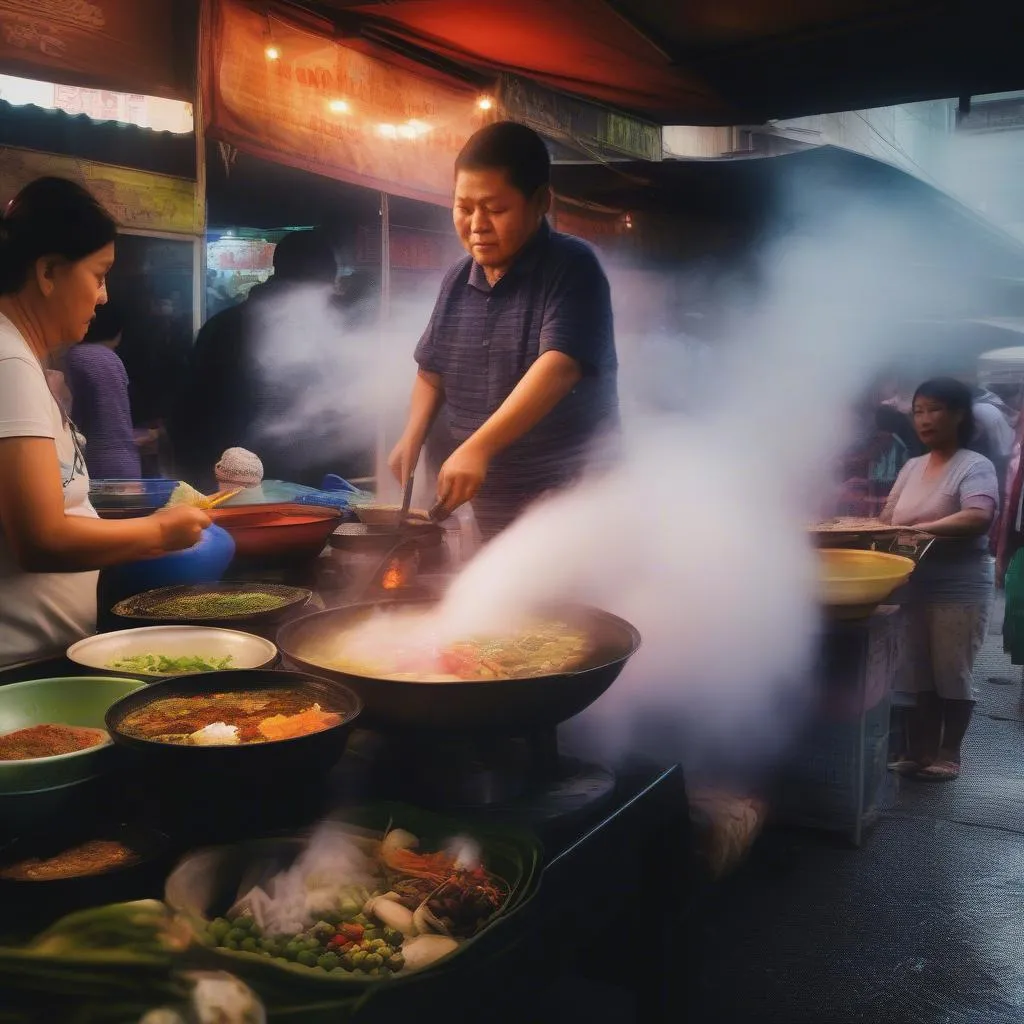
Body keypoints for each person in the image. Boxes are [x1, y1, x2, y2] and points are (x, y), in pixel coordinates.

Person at [0, 177, 209, 667]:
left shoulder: (18, 359)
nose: (104, 297)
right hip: (18, 666)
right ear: (49, 271)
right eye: (99, 275)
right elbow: (42, 540)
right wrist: (159, 533)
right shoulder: (8, 364)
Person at [388, 121, 618, 538]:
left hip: (569, 503)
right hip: (488, 508)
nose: (477, 224)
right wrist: (412, 435)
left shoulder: (572, 266)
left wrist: (478, 446)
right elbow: (431, 370)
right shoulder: (458, 279)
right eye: (464, 207)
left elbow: (559, 366)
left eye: (495, 209)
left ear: (540, 202)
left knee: (562, 604)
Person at [881, 377, 999, 781]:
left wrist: (925, 529)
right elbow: (887, 517)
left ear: (959, 414)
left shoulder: (974, 464)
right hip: (914, 583)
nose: (924, 419)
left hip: (958, 587)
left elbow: (978, 515)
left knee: (952, 669)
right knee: (916, 670)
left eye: (934, 410)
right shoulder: (913, 466)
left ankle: (949, 754)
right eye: (918, 411)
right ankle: (919, 751)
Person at [170, 229, 338, 489]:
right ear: (321, 283)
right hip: (249, 483)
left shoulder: (221, 325)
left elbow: (186, 413)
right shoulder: (232, 330)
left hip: (229, 480)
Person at [63, 300, 148, 480]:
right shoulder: (111, 359)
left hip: (92, 465)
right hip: (122, 464)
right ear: (119, 332)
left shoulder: (73, 357)